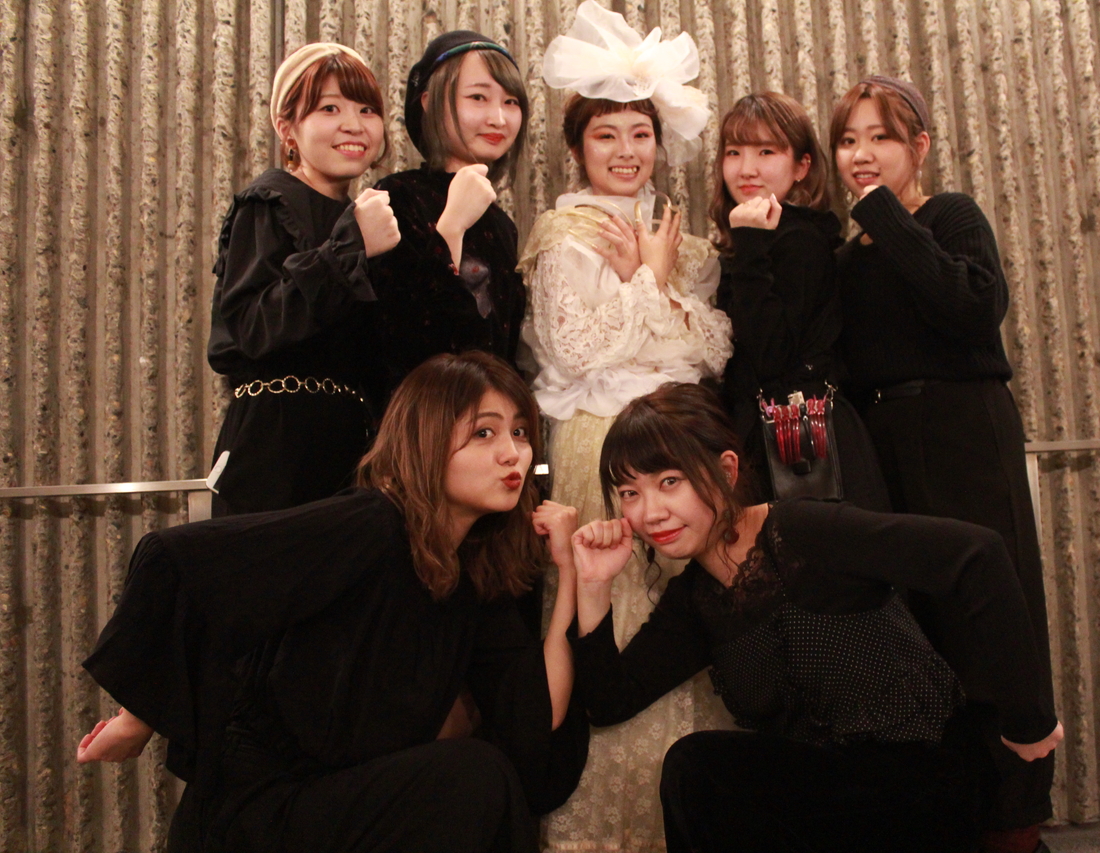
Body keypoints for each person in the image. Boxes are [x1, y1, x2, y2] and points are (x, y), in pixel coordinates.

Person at [76, 352, 588, 853]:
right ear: (426, 438)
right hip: (263, 805)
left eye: (521, 432)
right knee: (474, 778)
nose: (513, 454)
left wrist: (570, 573)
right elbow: (178, 562)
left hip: (342, 797)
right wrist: (138, 719)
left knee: (481, 775)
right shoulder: (373, 523)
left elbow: (535, 716)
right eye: (485, 433)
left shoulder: (469, 570)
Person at [570, 383, 1063, 853]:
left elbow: (978, 555)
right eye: (629, 493)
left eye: (669, 482)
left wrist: (1029, 721)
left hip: (920, 780)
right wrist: (593, 585)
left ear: (726, 470)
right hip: (828, 798)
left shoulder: (803, 529)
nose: (650, 513)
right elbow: (611, 700)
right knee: (696, 766)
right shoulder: (696, 597)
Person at [517, 2, 735, 849]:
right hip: (599, 439)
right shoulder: (562, 232)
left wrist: (656, 282)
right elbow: (576, 351)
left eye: (639, 134)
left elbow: (711, 348)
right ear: (577, 147)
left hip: (680, 436)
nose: (624, 150)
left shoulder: (682, 237)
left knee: (687, 602)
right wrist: (651, 289)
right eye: (605, 135)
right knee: (614, 594)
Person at [830, 75, 1056, 853]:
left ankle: (1016, 823)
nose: (861, 154)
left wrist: (886, 216)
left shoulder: (949, 215)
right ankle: (950, 819)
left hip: (963, 429)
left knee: (993, 624)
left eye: (881, 137)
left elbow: (971, 308)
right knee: (917, 637)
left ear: (918, 147)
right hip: (885, 441)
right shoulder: (847, 256)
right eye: (848, 140)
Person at [207, 43, 400, 516]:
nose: (354, 124)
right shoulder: (269, 202)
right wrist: (349, 246)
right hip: (275, 446)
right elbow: (250, 328)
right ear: (287, 127)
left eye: (367, 109)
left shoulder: (368, 216)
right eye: (330, 108)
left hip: (354, 449)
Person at [710, 91, 889, 509]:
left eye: (766, 151)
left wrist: (750, 245)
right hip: (774, 435)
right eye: (734, 152)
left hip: (802, 439)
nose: (746, 168)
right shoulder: (751, 238)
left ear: (802, 166)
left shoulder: (800, 238)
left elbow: (772, 356)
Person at [369, 32, 528, 413]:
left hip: (490, 424)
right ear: (430, 101)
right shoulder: (396, 197)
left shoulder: (502, 225)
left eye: (511, 102)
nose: (498, 118)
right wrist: (452, 227)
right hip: (423, 421)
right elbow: (401, 337)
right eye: (478, 98)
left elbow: (503, 349)